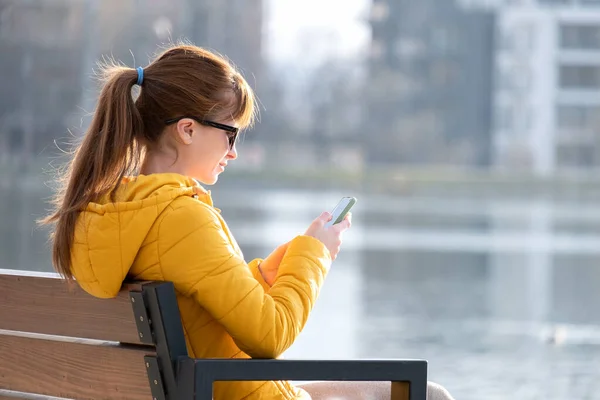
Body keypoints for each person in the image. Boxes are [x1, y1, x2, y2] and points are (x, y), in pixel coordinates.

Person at [40, 44, 454, 400]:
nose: (233, 151)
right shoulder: (179, 215)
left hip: (208, 388)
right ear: (187, 129)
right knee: (429, 394)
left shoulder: (109, 211)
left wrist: (270, 271)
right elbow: (270, 336)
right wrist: (315, 256)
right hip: (240, 392)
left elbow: (193, 302)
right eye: (230, 133)